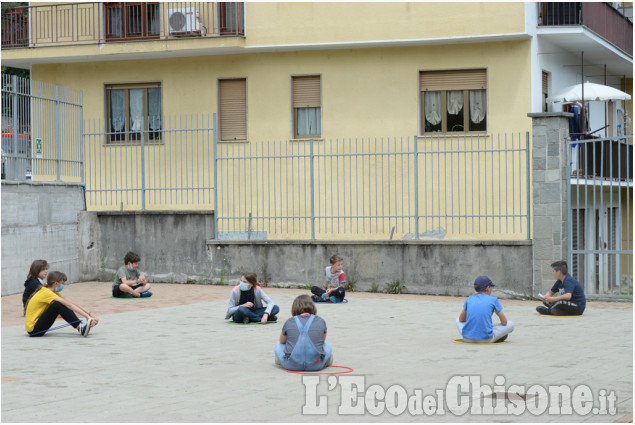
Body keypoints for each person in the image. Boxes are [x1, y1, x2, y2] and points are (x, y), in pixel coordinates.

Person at [25, 271, 99, 337]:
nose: (63, 285)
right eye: (62, 283)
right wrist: (87, 317)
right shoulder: (46, 292)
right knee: (58, 304)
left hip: (37, 327)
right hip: (34, 330)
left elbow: (72, 303)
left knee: (61, 303)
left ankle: (81, 327)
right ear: (56, 283)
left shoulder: (52, 292)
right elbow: (69, 305)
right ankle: (80, 328)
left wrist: (90, 314)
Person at [274, 295, 333, 371]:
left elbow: (282, 341)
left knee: (279, 347)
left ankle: (282, 361)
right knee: (328, 346)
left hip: (291, 365)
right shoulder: (321, 321)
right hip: (316, 364)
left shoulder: (289, 321)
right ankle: (325, 361)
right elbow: (322, 341)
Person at [456, 276, 514, 343]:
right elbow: (504, 322)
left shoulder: (469, 298)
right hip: (486, 339)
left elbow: (461, 319)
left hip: (467, 338)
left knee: (457, 320)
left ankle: (472, 332)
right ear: (488, 287)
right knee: (510, 324)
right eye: (491, 287)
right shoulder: (493, 300)